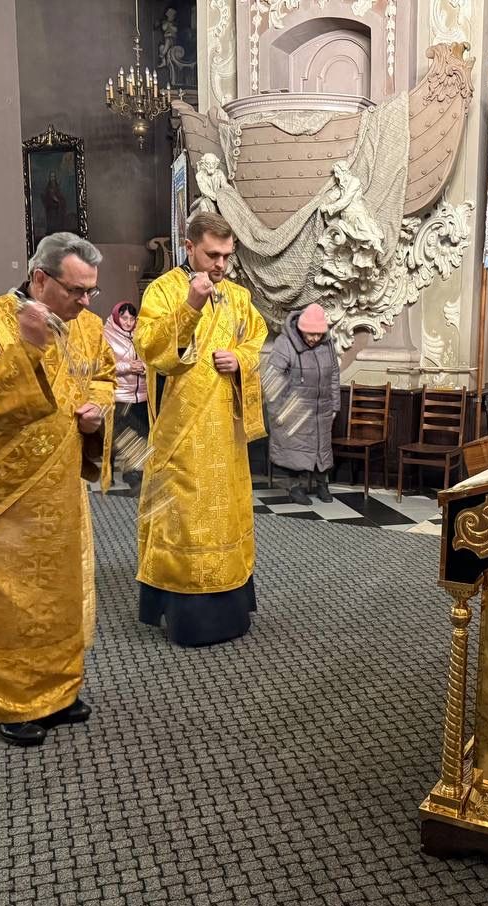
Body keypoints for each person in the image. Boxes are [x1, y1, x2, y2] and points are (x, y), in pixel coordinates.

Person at [0, 232, 116, 748]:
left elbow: (103, 377)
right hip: (2, 494)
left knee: (56, 595)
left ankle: (56, 691)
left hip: (59, 490)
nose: (85, 302)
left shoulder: (88, 325)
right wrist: (28, 349)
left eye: (91, 291)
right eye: (76, 290)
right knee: (6, 601)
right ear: (39, 279)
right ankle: (6, 700)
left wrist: (97, 413)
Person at [134, 210, 267, 648]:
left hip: (225, 437)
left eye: (227, 256)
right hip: (183, 434)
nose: (221, 264)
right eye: (212, 255)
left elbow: (255, 340)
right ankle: (187, 619)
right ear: (189, 247)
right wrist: (191, 305)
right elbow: (151, 349)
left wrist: (240, 360)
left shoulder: (238, 297)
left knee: (226, 518)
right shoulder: (163, 291)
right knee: (184, 520)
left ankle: (231, 610)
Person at [264, 304, 340, 504]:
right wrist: (278, 411)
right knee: (294, 450)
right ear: (301, 328)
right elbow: (272, 379)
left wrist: (335, 406)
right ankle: (294, 487)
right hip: (294, 409)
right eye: (311, 334)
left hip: (322, 409)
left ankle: (322, 485)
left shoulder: (327, 344)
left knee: (322, 449)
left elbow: (334, 374)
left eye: (319, 334)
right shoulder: (285, 343)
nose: (315, 338)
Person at [102, 300, 148, 486]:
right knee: (117, 437)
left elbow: (152, 359)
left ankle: (135, 473)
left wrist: (144, 367)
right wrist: (128, 367)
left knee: (141, 434)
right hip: (120, 395)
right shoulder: (106, 335)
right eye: (124, 318)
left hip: (141, 394)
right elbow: (103, 366)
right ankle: (109, 473)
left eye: (132, 318)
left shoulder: (141, 334)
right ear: (116, 317)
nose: (128, 322)